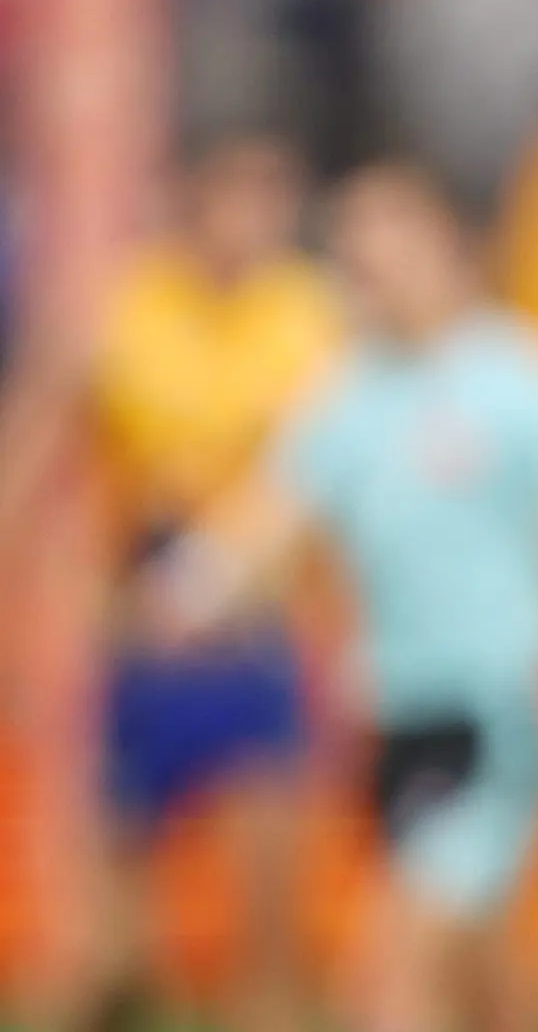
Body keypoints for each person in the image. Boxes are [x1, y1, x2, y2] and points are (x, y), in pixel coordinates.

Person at [164, 161, 538, 1032]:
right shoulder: (342, 397)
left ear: (451, 242)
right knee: (492, 982)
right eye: (352, 242)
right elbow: (265, 529)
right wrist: (179, 596)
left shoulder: (535, 385)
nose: (366, 257)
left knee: (393, 981)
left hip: (499, 724)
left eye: (389, 230)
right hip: (392, 731)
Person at [0, 133, 340, 1032]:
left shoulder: (309, 317)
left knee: (269, 948)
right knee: (110, 959)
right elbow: (29, 464)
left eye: (274, 200)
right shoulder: (125, 310)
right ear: (194, 200)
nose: (258, 222)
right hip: (142, 651)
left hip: (251, 646)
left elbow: (337, 488)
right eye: (240, 197)